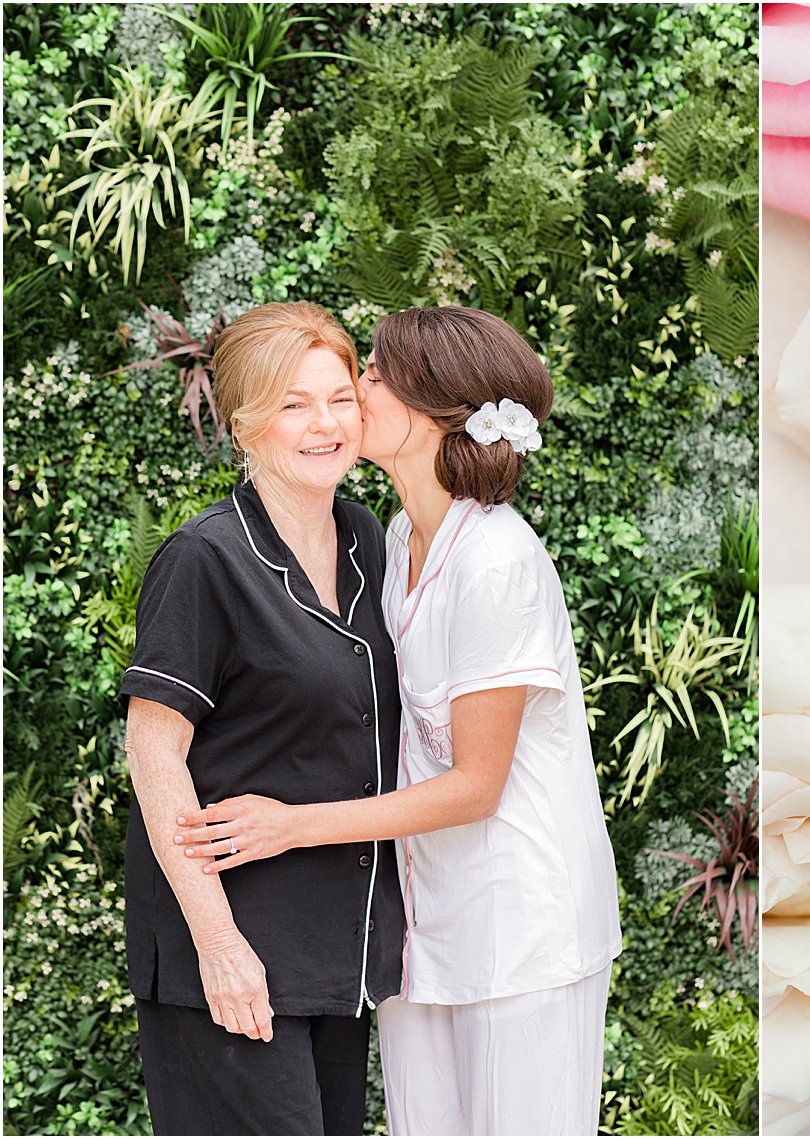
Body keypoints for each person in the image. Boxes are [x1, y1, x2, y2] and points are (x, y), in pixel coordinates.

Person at [174, 305, 623, 1136]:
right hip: (422, 924)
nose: (354, 388)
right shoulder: (388, 542)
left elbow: (477, 785)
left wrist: (289, 826)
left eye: (372, 376)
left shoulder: (496, 559)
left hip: (522, 919)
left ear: (432, 407)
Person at [121, 301, 407, 1135]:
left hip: (337, 960)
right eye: (293, 403)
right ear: (245, 423)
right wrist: (219, 944)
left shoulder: (370, 542)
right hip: (234, 960)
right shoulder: (205, 559)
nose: (325, 424)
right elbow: (153, 751)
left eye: (340, 397)